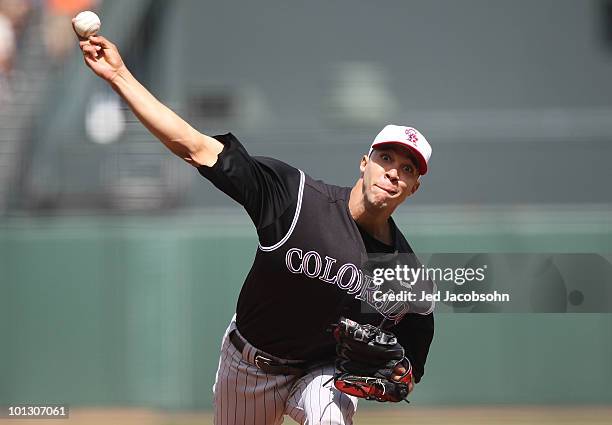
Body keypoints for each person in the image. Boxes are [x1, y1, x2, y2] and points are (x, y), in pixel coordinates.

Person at [75, 29, 434, 425]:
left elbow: (411, 359)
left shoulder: (406, 274)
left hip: (322, 372)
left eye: (407, 169)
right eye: (386, 158)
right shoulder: (294, 199)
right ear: (365, 163)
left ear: (414, 188)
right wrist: (119, 75)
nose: (393, 173)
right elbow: (193, 146)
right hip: (250, 365)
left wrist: (402, 378)